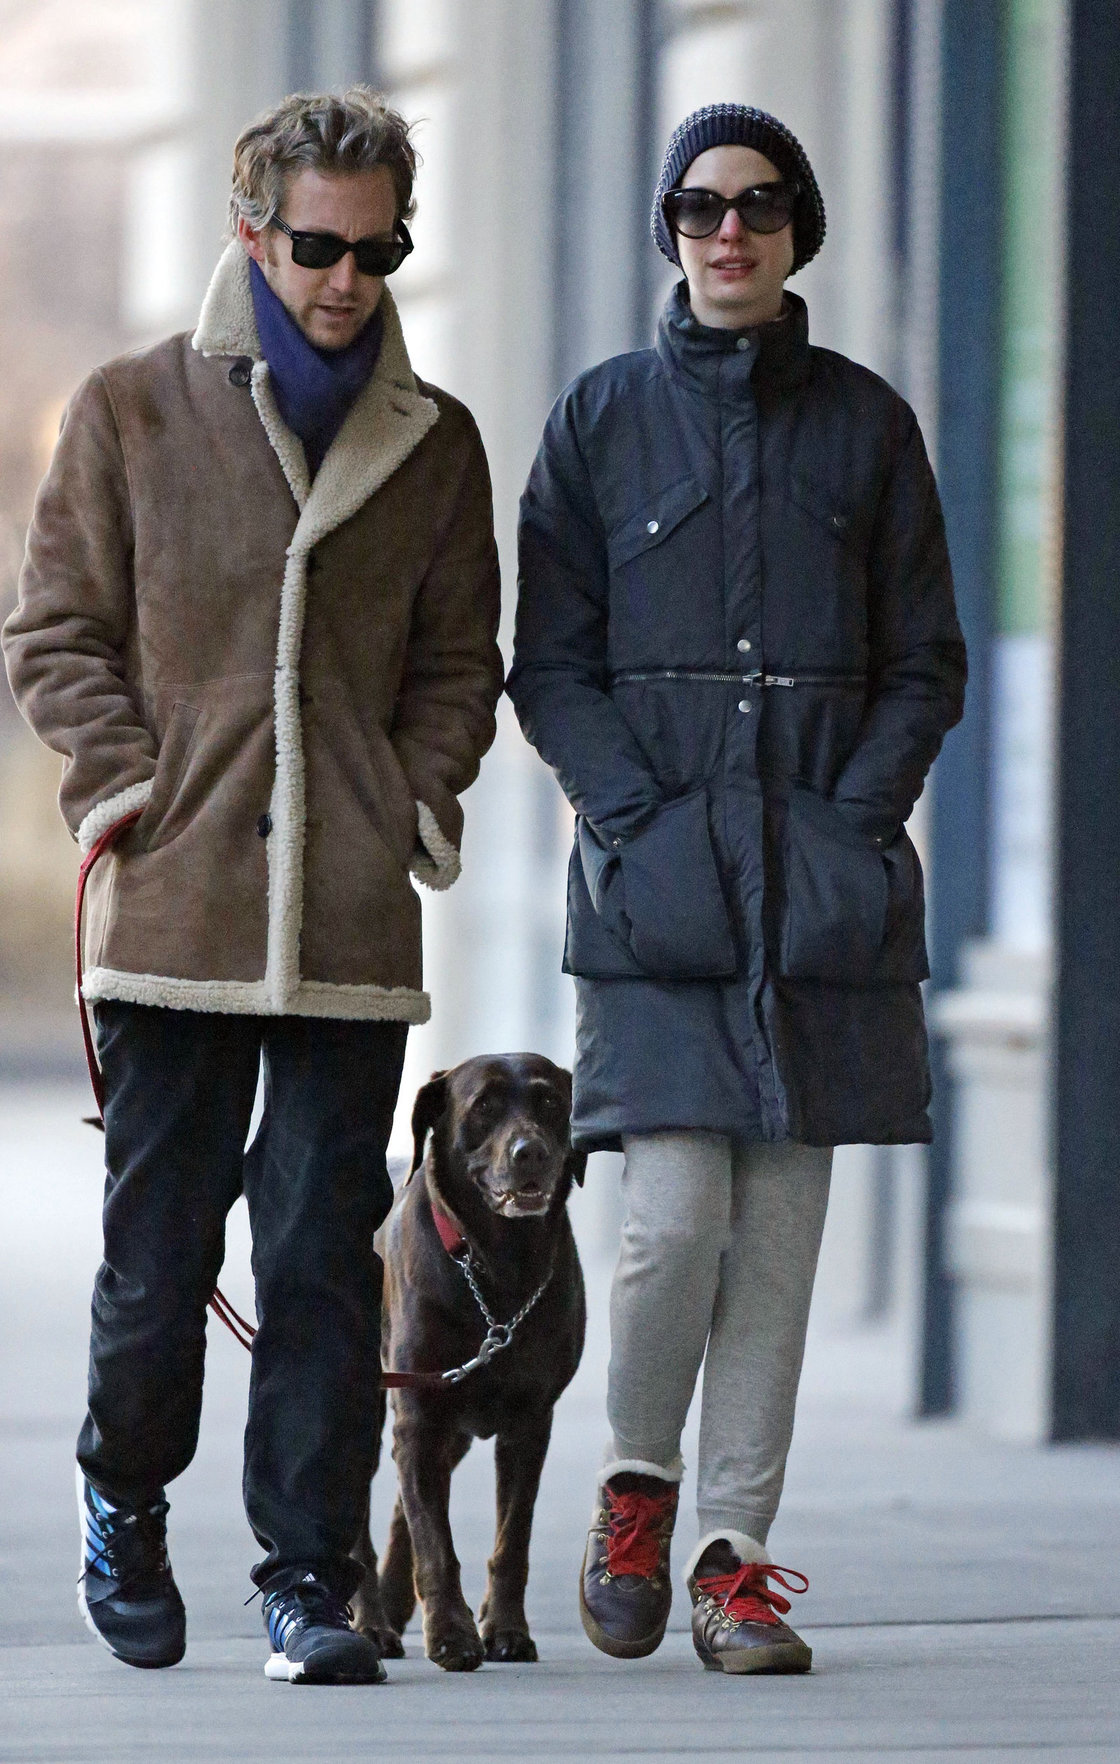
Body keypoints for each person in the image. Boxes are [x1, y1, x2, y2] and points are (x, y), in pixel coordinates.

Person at [3, 87, 502, 1685]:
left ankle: (308, 1570)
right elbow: (55, 636)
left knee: (314, 1258)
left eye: (378, 248)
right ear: (252, 230)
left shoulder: (435, 444)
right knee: (159, 1258)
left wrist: (415, 801)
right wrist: (130, 794)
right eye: (317, 246)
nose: (348, 277)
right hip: (174, 914)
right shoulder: (134, 410)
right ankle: (123, 1502)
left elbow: (457, 662)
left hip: (350, 921)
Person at [509, 103, 965, 1676]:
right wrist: (628, 814)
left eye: (761, 205)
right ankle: (636, 1492)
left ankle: (732, 1556)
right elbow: (550, 666)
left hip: (820, 881)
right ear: (668, 227)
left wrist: (853, 821)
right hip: (661, 885)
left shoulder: (868, 425)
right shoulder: (600, 420)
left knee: (778, 1228)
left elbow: (927, 662)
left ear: (798, 230)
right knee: (669, 1217)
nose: (730, 230)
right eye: (702, 205)